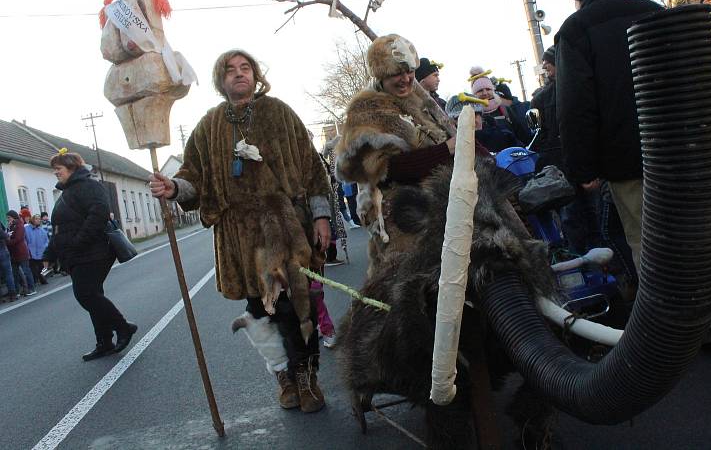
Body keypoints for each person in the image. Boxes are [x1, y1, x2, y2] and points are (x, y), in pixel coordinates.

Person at [149, 49, 332, 413]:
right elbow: (192, 177)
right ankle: (284, 376)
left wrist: (322, 216)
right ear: (221, 80)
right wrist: (173, 189)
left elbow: (313, 166)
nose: (238, 74)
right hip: (239, 238)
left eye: (245, 67)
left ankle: (307, 377)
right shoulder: (209, 125)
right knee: (260, 311)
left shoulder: (278, 112)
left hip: (288, 226)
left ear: (255, 74)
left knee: (300, 307)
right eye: (230, 70)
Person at [556, 0, 662, 274]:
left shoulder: (575, 30)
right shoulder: (653, 11)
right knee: (692, 232)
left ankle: (670, 322)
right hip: (679, 148)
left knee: (647, 240)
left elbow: (576, 106)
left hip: (626, 159)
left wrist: (583, 168)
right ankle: (707, 313)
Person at [336, 34, 464, 275]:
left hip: (445, 207)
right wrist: (445, 151)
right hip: (402, 220)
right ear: (381, 75)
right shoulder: (366, 111)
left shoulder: (420, 102)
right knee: (413, 288)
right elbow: (385, 171)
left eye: (409, 72)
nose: (406, 79)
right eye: (397, 73)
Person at [43, 151, 137, 361]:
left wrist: (77, 243)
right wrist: (50, 253)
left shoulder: (89, 186)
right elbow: (60, 228)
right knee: (93, 295)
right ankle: (104, 342)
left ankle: (123, 327)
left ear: (72, 168)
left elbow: (99, 214)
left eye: (58, 169)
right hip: (78, 254)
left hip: (93, 252)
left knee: (86, 294)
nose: (55, 173)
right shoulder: (68, 192)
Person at [470, 66, 523, 153]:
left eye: (488, 89)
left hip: (513, 159)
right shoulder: (473, 115)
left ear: (493, 90)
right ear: (474, 94)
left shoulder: (505, 111)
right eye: (480, 91)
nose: (485, 93)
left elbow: (521, 135)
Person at [531, 45, 563, 171]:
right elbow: (539, 136)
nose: (543, 67)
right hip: (557, 163)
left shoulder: (582, 87)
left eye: (547, 62)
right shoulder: (540, 99)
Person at [6, 210, 36, 296]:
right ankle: (17, 291)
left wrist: (7, 241)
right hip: (14, 253)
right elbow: (9, 236)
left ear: (13, 217)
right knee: (14, 273)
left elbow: (18, 239)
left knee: (26, 270)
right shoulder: (11, 225)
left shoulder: (20, 225)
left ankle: (32, 288)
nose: (8, 220)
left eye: (9, 218)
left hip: (21, 251)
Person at [25, 215, 49, 286]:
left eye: (39, 219)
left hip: (40, 252)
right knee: (32, 267)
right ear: (32, 220)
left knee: (41, 267)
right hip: (31, 252)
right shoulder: (26, 229)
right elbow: (24, 239)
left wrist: (45, 247)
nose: (38, 220)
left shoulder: (42, 230)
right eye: (36, 219)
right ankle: (36, 280)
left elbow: (46, 241)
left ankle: (41, 278)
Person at [0, 220, 19, 302]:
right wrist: (7, 235)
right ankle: (13, 294)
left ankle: (1, 297)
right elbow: (4, 234)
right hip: (1, 249)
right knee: (8, 273)